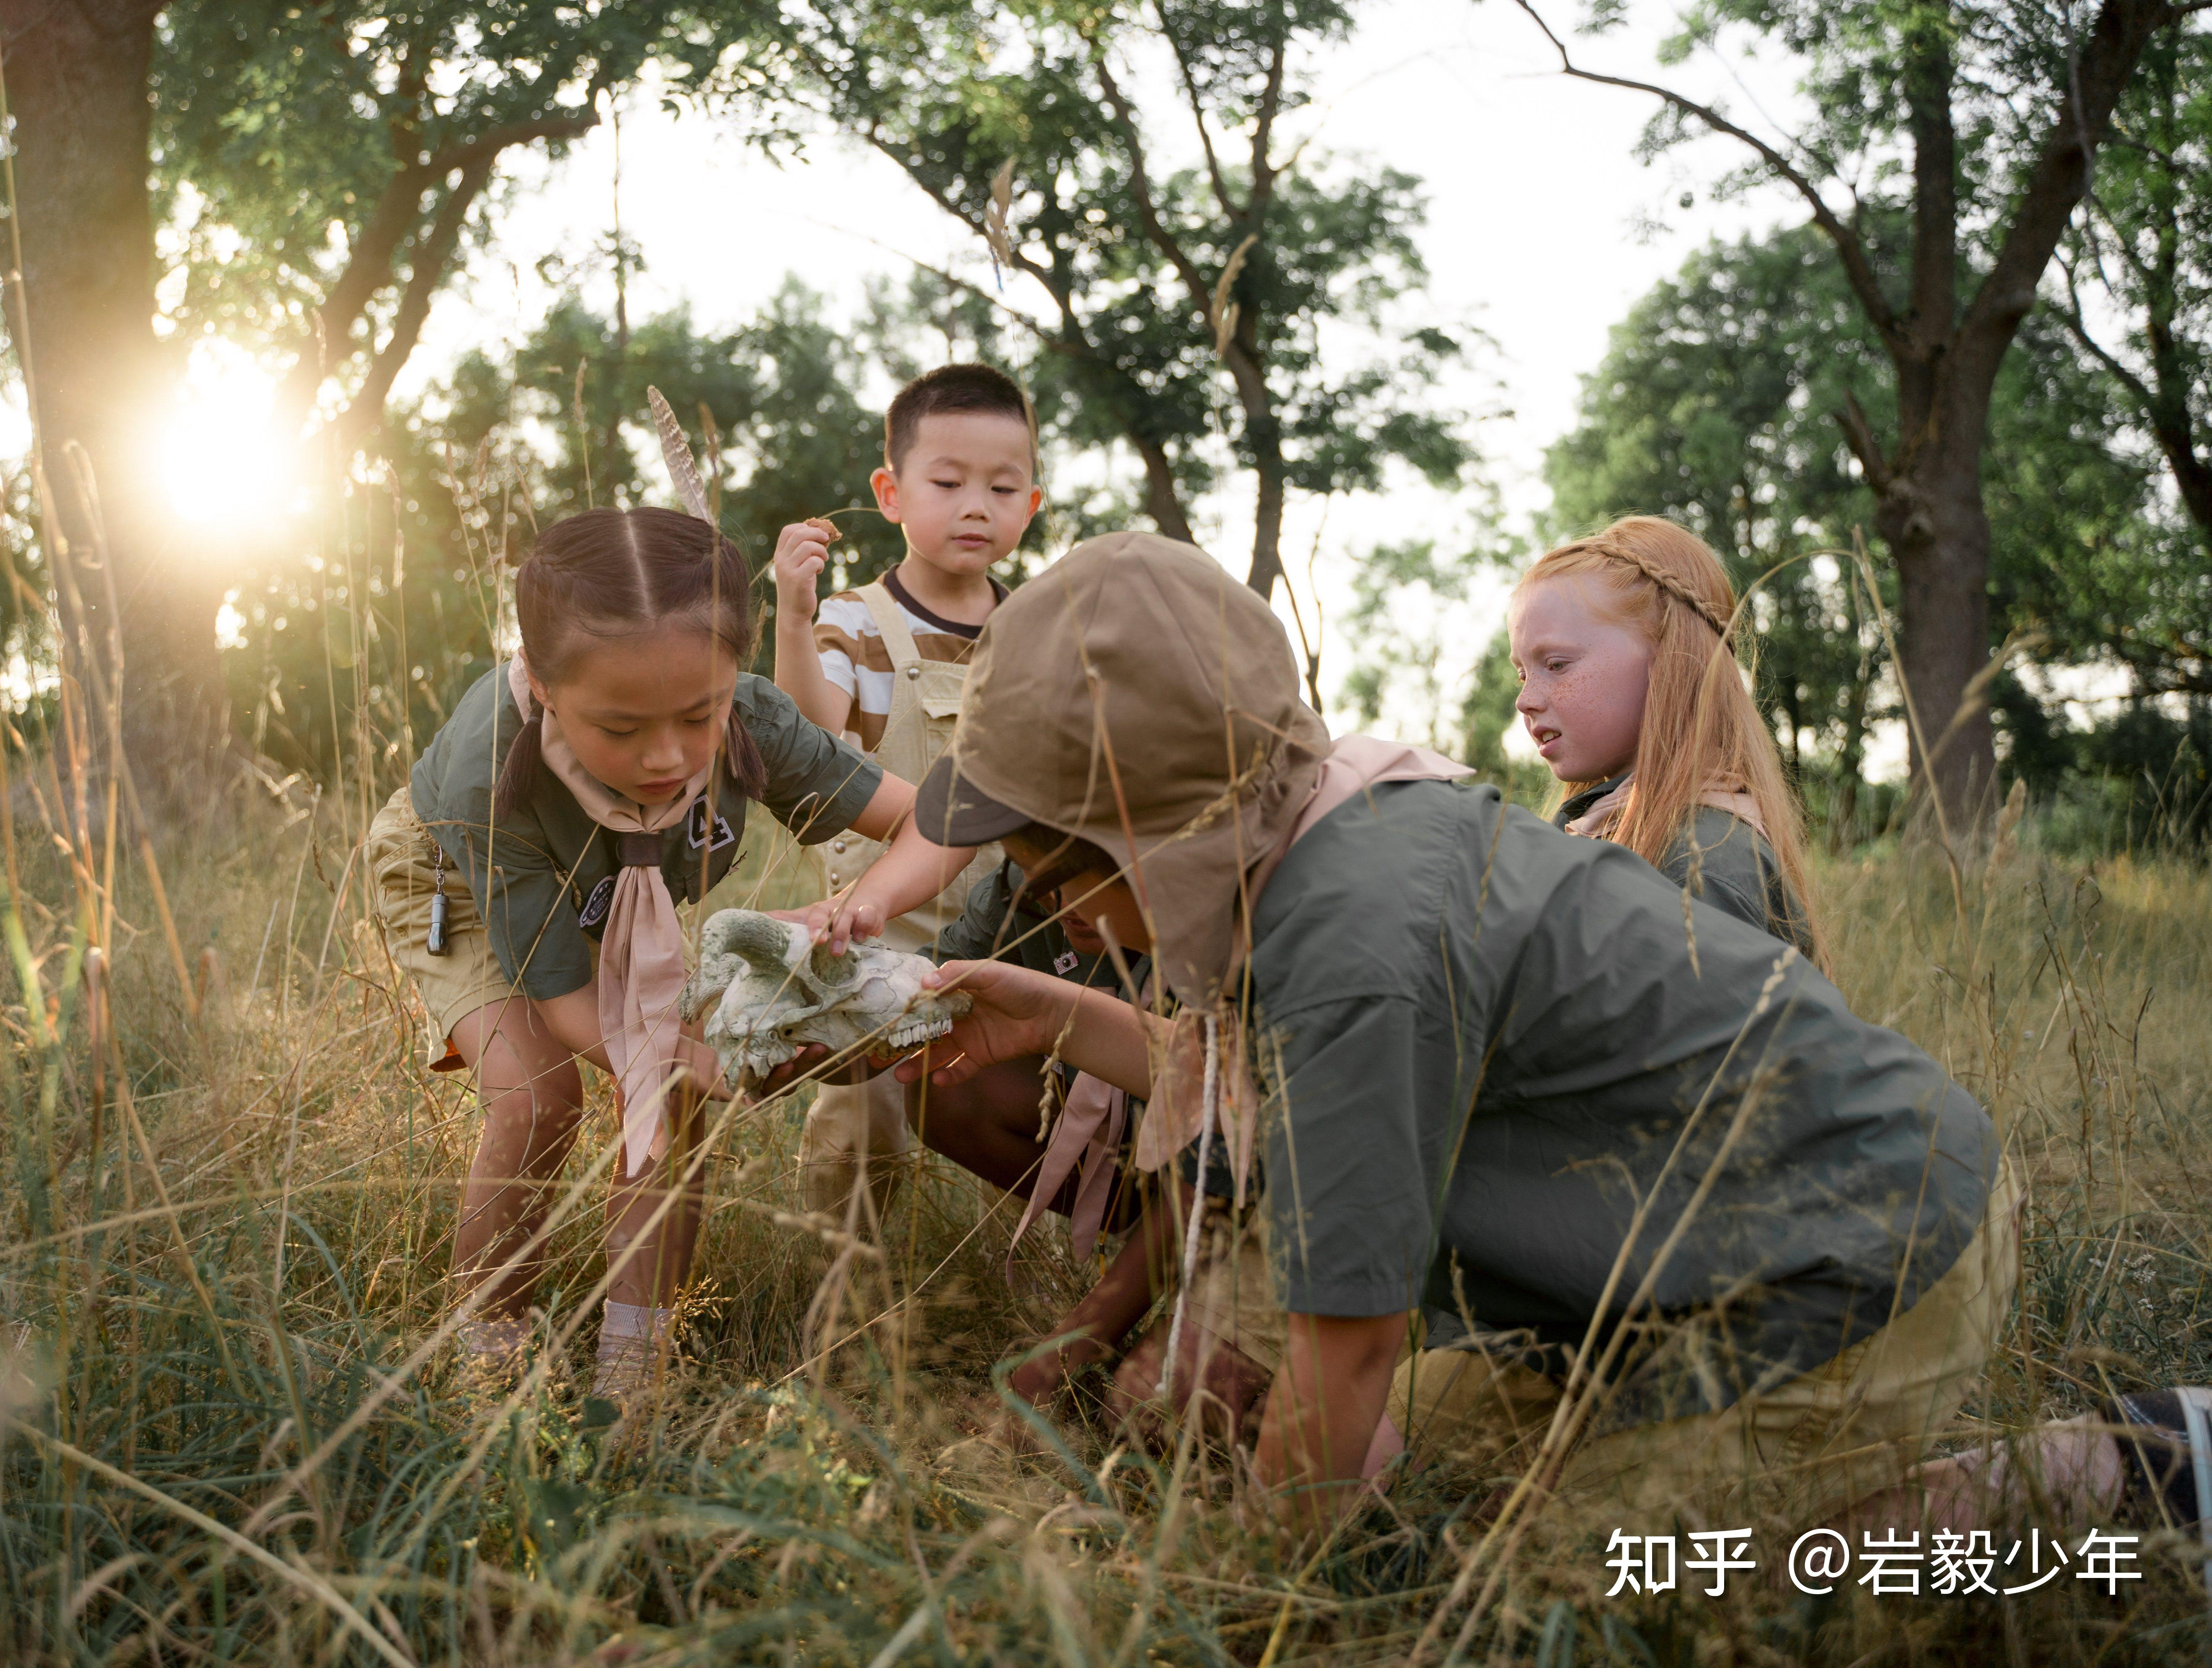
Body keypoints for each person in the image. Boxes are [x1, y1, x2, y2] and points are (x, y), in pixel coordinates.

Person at [885, 531, 2181, 1543]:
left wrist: (1257, 1600)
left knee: (1594, 1586)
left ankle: (2124, 1465)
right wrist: (1059, 1012)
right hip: (1664, 1268)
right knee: (1431, 1461)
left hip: (1857, 1251)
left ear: (1140, 838)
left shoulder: (1354, 946)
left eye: (1050, 866)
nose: (1049, 900)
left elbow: (1344, 1351)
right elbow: (1285, 1092)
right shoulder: (1328, 837)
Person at [365, 505, 972, 1397]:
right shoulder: (486, 773)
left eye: (701, 714)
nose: (667, 756)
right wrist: (712, 1057)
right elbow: (568, 999)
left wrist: (862, 900)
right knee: (540, 1094)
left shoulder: (754, 720)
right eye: (618, 727)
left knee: (670, 1097)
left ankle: (636, 1362)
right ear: (538, 680)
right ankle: (488, 1361)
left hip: (609, 886)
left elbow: (938, 822)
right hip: (452, 878)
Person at [768, 362, 1037, 1222]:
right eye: (948, 482)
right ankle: (845, 1276)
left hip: (1005, 921)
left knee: (1023, 1091)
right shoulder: (854, 620)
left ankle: (1004, 1265)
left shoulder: (1035, 629)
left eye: (1002, 487)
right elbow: (813, 735)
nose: (975, 506)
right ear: (891, 492)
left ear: (1032, 504)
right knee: (864, 1113)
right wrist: (793, 617)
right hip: (882, 921)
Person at [1510, 516, 1820, 956]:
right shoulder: (1606, 825)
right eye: (1522, 673)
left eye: (1557, 665)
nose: (1525, 700)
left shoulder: (1702, 863)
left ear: (1672, 662)